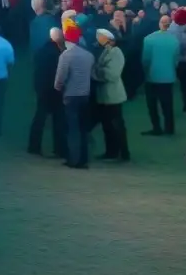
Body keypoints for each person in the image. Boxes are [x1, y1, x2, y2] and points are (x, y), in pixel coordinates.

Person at [55, 25, 95, 168]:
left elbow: (60, 79)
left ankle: (74, 159)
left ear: (67, 40)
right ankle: (84, 158)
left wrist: (58, 88)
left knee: (72, 128)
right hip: (85, 94)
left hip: (71, 95)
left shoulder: (65, 56)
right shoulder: (88, 55)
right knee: (83, 128)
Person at [93, 28, 129, 161]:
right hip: (105, 96)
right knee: (107, 125)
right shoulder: (106, 51)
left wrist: (97, 72)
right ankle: (111, 151)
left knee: (116, 125)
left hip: (113, 95)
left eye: (99, 37)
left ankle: (123, 152)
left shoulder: (116, 52)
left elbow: (113, 74)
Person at [29, 27, 65, 157]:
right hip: (54, 90)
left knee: (39, 118)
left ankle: (34, 146)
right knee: (59, 120)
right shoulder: (58, 53)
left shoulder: (41, 50)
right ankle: (59, 148)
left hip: (42, 89)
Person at [141, 14, 180, 136]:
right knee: (167, 104)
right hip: (168, 77)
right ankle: (169, 128)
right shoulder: (175, 40)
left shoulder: (149, 39)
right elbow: (176, 60)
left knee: (152, 106)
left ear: (159, 23)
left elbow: (145, 60)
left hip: (152, 76)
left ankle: (156, 128)